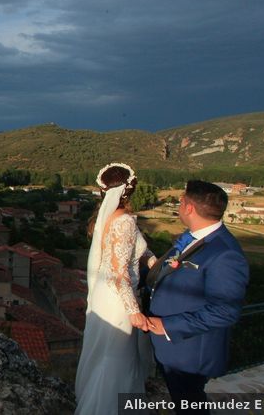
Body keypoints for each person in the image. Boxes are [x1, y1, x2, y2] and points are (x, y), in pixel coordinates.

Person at [145, 180, 249, 415]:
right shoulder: (192, 238)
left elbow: (226, 311)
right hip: (174, 349)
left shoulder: (225, 254)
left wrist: (167, 326)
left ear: (188, 206)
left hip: (190, 352)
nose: (179, 206)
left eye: (181, 201)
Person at [75, 163, 156, 415]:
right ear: (128, 191)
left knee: (106, 356)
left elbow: (136, 252)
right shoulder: (125, 222)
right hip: (119, 298)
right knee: (116, 360)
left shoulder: (108, 219)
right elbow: (119, 271)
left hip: (104, 296)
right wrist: (133, 310)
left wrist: (158, 263)